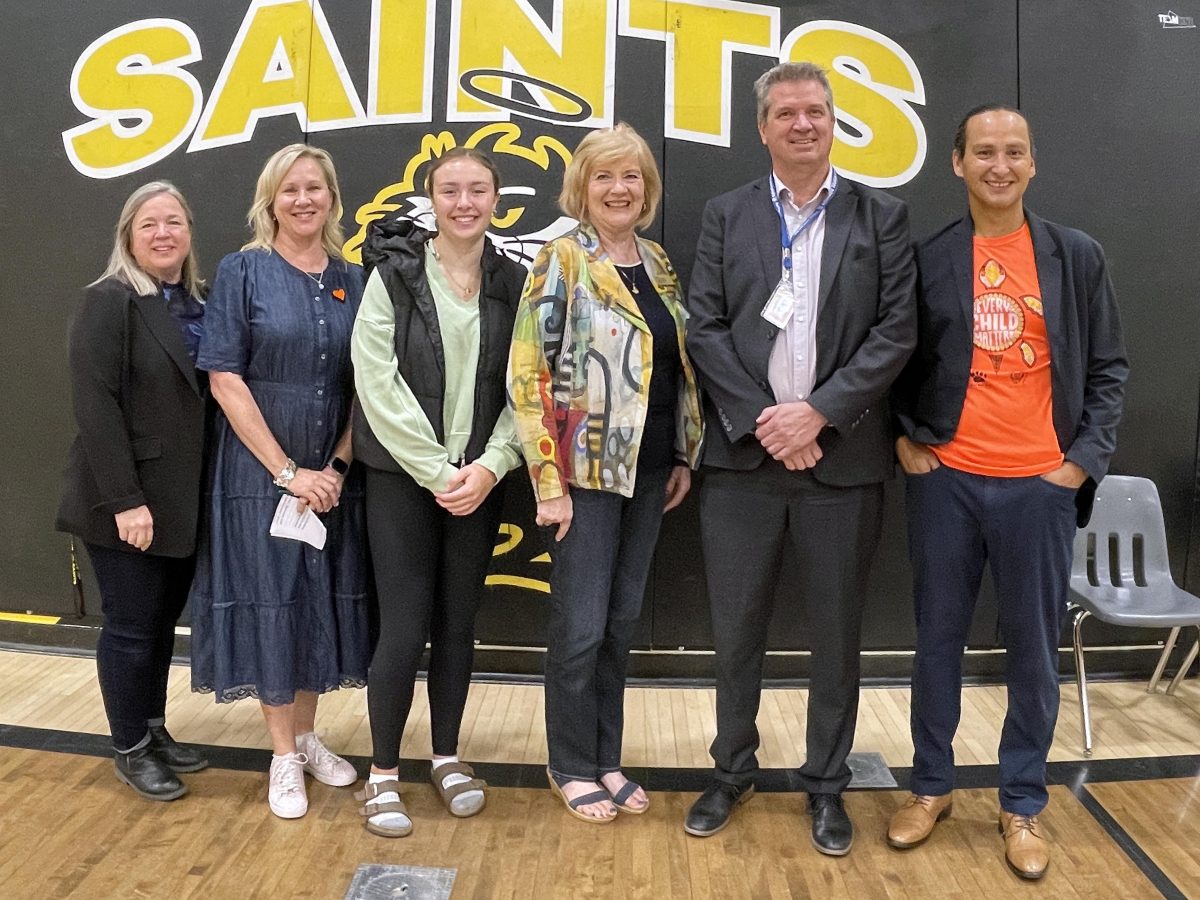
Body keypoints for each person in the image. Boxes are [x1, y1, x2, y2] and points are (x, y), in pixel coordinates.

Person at [887, 105, 1127, 879]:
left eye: (1014, 152)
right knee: (937, 643)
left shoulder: (1075, 255)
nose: (1000, 165)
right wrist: (902, 439)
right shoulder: (929, 258)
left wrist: (1080, 463)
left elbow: (1108, 369)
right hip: (948, 482)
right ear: (958, 163)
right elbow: (891, 359)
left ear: (1032, 163)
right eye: (984, 152)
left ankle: (1021, 802)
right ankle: (931, 787)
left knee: (1032, 651)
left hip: (1040, 487)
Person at [683, 61, 917, 854]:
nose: (803, 124)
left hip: (841, 463)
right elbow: (705, 326)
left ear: (833, 120)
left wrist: (818, 414)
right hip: (744, 464)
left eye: (816, 110)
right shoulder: (727, 214)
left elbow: (896, 331)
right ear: (764, 128)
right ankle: (731, 773)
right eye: (786, 113)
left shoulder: (881, 216)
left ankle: (826, 786)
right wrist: (764, 422)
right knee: (735, 632)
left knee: (837, 637)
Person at [509, 123, 704, 823]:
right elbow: (527, 374)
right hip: (583, 474)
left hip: (649, 472)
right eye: (604, 177)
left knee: (619, 625)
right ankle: (570, 763)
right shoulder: (561, 258)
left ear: (647, 189)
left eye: (631, 177)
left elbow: (673, 367)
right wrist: (548, 481)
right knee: (581, 629)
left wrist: (682, 452)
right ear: (582, 189)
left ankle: (606, 757)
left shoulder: (658, 263)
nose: (619, 189)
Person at [189, 144, 371, 819]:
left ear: (332, 198)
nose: (303, 199)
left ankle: (307, 734)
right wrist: (289, 473)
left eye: (314, 187)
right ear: (270, 200)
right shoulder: (242, 271)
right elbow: (224, 379)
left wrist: (336, 468)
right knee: (272, 601)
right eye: (289, 189)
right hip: (260, 473)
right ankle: (282, 757)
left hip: (332, 476)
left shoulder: (354, 278)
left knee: (313, 600)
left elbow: (367, 384)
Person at [349, 148, 526, 837]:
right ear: (432, 199)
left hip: (478, 482)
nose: (464, 203)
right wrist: (435, 470)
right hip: (405, 480)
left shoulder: (514, 281)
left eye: (477, 190)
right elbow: (376, 381)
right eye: (450, 190)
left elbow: (526, 383)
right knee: (403, 628)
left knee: (458, 626)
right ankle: (383, 774)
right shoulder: (393, 275)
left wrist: (491, 465)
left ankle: (447, 758)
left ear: (496, 200)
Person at [56, 181, 209, 801]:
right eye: (149, 224)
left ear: (189, 232)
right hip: (125, 500)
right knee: (130, 626)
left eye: (174, 222)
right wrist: (126, 500)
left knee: (161, 623)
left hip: (182, 500)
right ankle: (129, 749)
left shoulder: (200, 302)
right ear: (128, 236)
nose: (163, 233)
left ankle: (152, 727)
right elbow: (96, 407)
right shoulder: (108, 301)